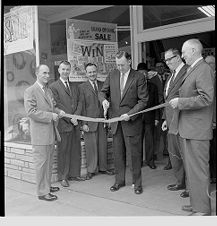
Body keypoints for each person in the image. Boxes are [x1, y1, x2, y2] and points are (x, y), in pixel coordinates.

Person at [169, 39, 214, 216]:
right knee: (192, 171)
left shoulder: (204, 69)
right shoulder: (193, 69)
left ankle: (202, 209)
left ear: (194, 50)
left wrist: (180, 102)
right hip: (189, 129)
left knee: (199, 171)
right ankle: (196, 203)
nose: (182, 55)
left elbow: (206, 98)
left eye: (184, 52)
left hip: (197, 131)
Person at [99, 51, 149, 194]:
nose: (119, 68)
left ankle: (137, 183)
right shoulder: (112, 75)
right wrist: (103, 100)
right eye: (117, 65)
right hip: (116, 123)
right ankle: (119, 181)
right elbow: (103, 92)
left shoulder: (139, 77)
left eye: (122, 65)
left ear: (129, 61)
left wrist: (130, 114)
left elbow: (143, 100)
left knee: (134, 155)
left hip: (131, 122)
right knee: (118, 154)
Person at [24, 64, 65, 201]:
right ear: (37, 74)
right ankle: (42, 192)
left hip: (50, 133)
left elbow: (53, 106)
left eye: (48, 73)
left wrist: (59, 112)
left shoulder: (48, 90)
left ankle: (47, 186)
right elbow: (31, 112)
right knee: (41, 164)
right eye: (44, 73)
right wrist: (50, 116)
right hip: (40, 136)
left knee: (48, 163)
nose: (47, 75)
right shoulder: (30, 91)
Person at [49, 61, 85, 188]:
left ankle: (75, 174)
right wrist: (71, 118)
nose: (65, 72)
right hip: (64, 124)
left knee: (76, 149)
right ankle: (63, 177)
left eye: (67, 69)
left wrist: (76, 115)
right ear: (59, 70)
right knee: (63, 151)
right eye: (63, 69)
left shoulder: (75, 86)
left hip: (75, 123)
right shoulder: (53, 86)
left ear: (70, 71)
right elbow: (56, 106)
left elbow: (80, 102)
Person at [78, 63, 114, 179]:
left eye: (94, 71)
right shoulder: (82, 87)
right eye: (89, 72)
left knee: (103, 146)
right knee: (90, 147)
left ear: (96, 71)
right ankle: (91, 170)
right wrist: (83, 124)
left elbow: (107, 103)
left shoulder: (103, 85)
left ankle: (103, 168)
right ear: (86, 73)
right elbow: (82, 106)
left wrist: (107, 119)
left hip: (102, 121)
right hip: (89, 122)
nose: (92, 74)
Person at [162, 48, 189, 198]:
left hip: (182, 120)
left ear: (178, 57)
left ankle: (190, 187)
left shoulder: (187, 71)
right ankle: (180, 182)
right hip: (171, 120)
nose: (167, 63)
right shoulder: (171, 76)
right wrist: (165, 119)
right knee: (174, 154)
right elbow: (167, 99)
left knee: (186, 155)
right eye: (165, 60)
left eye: (169, 59)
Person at [137, 63, 159, 169]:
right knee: (138, 141)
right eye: (140, 73)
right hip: (137, 118)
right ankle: (139, 162)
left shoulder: (153, 87)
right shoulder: (134, 86)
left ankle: (150, 161)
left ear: (147, 74)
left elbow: (156, 103)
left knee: (150, 140)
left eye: (145, 73)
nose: (143, 75)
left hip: (150, 118)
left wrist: (156, 118)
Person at [149, 62, 170, 169]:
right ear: (155, 68)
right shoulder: (152, 81)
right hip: (158, 110)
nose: (160, 68)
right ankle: (155, 155)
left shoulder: (169, 78)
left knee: (168, 136)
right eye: (158, 67)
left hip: (168, 110)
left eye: (162, 66)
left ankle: (169, 154)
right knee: (156, 135)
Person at [205, 55, 216, 184]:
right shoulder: (205, 78)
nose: (208, 66)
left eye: (210, 63)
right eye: (206, 63)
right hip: (205, 122)